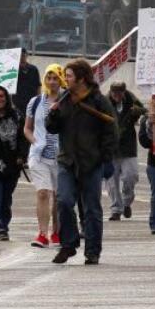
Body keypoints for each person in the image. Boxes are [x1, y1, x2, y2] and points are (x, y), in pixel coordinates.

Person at [45, 58, 117, 265]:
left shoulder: (98, 101)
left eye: (68, 76)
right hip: (67, 162)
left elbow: (111, 131)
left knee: (92, 208)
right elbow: (52, 128)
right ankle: (69, 244)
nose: (64, 79)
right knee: (64, 201)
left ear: (81, 78)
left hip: (91, 163)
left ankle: (92, 250)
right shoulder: (65, 99)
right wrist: (53, 115)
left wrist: (105, 158)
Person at [24, 64, 65, 248]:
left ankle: (55, 232)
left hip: (60, 156)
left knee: (57, 196)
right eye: (49, 78)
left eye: (56, 78)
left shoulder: (67, 101)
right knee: (42, 193)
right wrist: (34, 141)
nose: (52, 82)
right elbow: (27, 128)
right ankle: (42, 233)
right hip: (39, 156)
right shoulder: (35, 102)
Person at [0, 85, 26, 242]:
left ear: (6, 98)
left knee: (6, 197)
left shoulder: (17, 116)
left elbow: (23, 137)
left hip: (13, 162)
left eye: (1, 96)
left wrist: (22, 156)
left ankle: (3, 226)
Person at [106, 81, 144, 220]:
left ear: (124, 92)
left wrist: (136, 112)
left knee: (131, 177)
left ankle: (127, 202)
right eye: (114, 92)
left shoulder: (131, 99)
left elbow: (143, 110)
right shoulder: (105, 103)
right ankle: (116, 209)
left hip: (128, 147)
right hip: (111, 148)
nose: (117, 95)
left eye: (119, 92)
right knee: (111, 181)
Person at [14, 49, 40, 116]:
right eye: (19, 55)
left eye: (23, 55)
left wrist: (38, 100)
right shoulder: (14, 70)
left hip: (32, 101)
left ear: (26, 55)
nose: (21, 57)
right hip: (18, 103)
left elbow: (38, 85)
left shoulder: (34, 69)